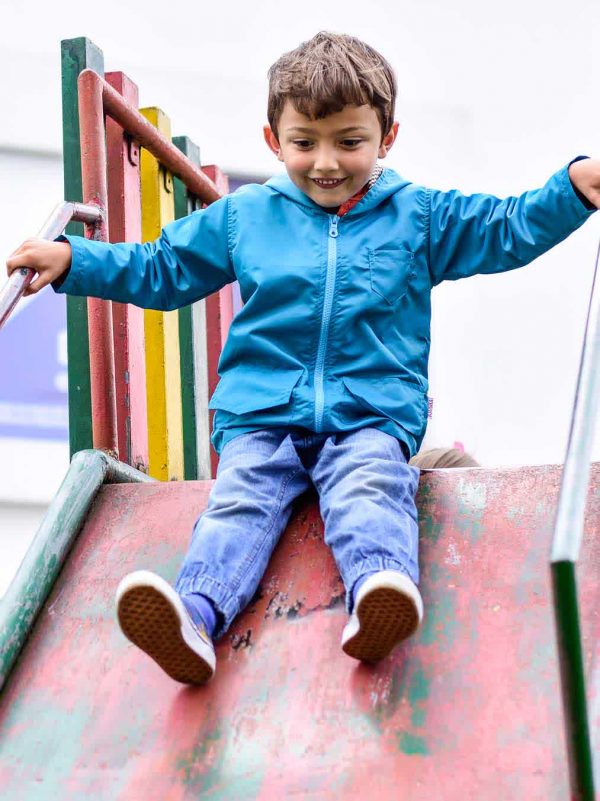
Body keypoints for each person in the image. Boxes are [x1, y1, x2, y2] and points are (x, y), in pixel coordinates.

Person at [6, 32, 598, 686]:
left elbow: (504, 228)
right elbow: (164, 267)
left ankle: (381, 593)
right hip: (262, 417)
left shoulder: (418, 216)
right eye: (304, 142)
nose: (325, 162)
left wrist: (569, 190)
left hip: (367, 417)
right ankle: (193, 620)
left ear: (387, 136)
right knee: (239, 502)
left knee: (372, 485)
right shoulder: (247, 216)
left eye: (349, 141)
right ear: (273, 141)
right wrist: (73, 261)